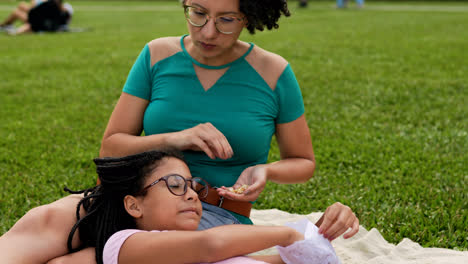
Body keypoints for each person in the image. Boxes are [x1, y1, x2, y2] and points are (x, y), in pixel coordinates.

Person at [0, 0, 359, 263]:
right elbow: (111, 147)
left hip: (210, 212)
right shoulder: (157, 55)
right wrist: (177, 138)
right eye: (197, 13)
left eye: (226, 19)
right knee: (46, 221)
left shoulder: (273, 72)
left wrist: (266, 170)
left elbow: (303, 161)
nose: (207, 31)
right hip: (133, 197)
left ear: (249, 15)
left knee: (86, 261)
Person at [53, 149, 309, 264]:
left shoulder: (193, 247)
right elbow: (210, 245)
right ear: (134, 205)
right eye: (175, 185)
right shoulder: (125, 243)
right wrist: (289, 234)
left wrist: (319, 234)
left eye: (193, 187)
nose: (192, 196)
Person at [0, 0, 73, 35]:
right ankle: (8, 27)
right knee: (20, 7)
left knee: (16, 12)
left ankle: (6, 27)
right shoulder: (58, 8)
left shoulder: (61, 10)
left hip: (39, 23)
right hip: (39, 21)